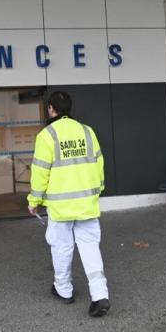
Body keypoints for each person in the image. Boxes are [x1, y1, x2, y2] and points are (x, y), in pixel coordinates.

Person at [27, 91, 110, 317]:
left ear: (51, 109)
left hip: (60, 207)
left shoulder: (46, 135)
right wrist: (98, 190)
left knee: (61, 246)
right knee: (90, 247)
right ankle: (100, 294)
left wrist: (34, 201)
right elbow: (98, 164)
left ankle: (64, 290)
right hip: (86, 204)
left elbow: (40, 173)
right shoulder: (87, 131)